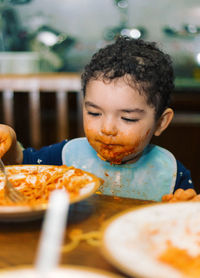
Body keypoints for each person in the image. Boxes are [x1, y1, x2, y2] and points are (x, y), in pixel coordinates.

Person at [0, 36, 195, 201]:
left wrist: (185, 208)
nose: (107, 128)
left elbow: (185, 217)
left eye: (128, 118)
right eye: (94, 113)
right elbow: (20, 165)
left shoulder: (172, 173)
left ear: (161, 122)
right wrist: (10, 145)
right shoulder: (65, 157)